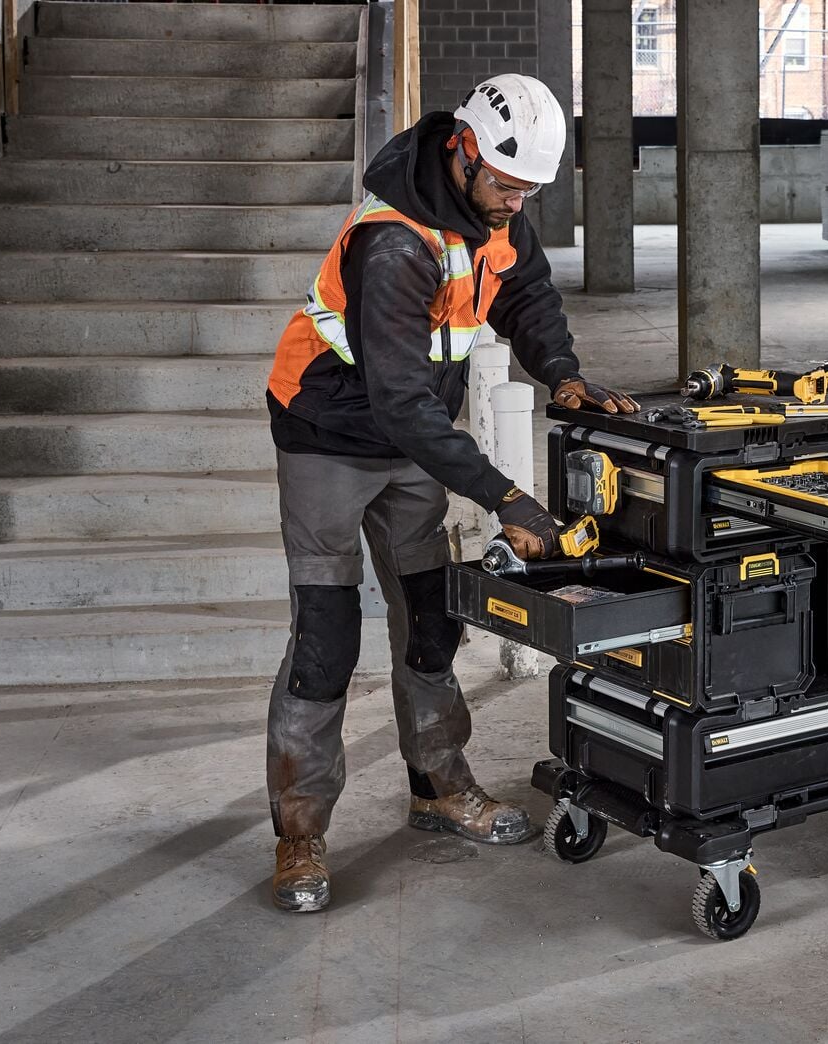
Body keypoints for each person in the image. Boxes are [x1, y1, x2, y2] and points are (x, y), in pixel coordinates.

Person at [262, 73, 638, 913]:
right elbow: (397, 402)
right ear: (464, 150)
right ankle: (300, 833)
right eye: (506, 183)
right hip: (328, 434)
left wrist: (564, 376)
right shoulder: (393, 244)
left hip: (411, 438)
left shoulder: (492, 213)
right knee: (326, 639)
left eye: (529, 189)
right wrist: (506, 494)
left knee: (429, 619)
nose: (516, 202)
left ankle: (437, 786)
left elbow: (528, 293)